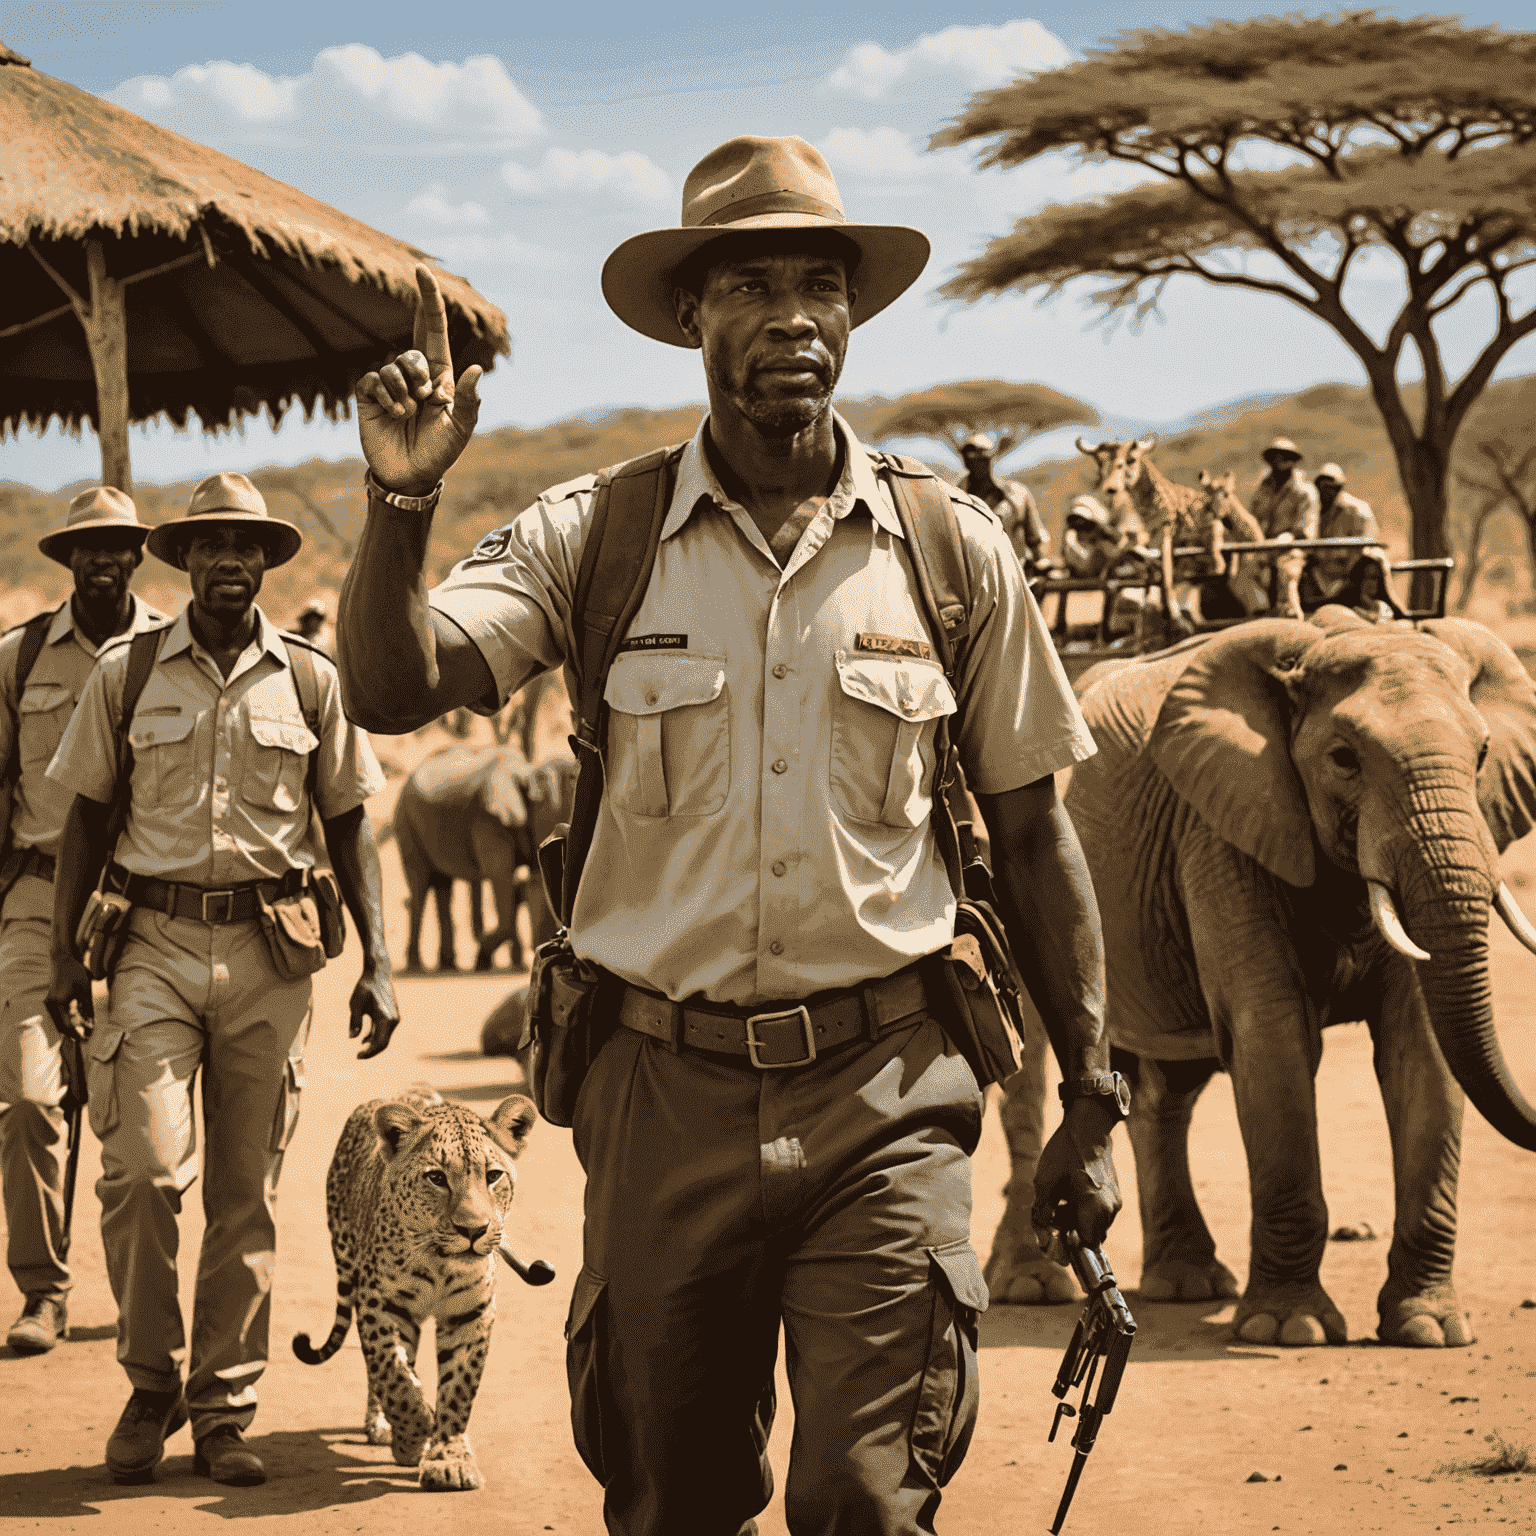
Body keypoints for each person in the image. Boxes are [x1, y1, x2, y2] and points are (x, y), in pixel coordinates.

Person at [337, 135, 1124, 1535]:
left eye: (818, 284)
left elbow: (1034, 835)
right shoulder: (599, 536)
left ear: (853, 314)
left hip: (891, 1087)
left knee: (866, 1498)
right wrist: (402, 500)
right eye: (750, 285)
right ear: (692, 315)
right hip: (660, 1091)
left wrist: (1094, 1101)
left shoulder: (951, 551)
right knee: (671, 1490)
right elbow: (395, 692)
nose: (792, 318)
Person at [44, 473, 398, 1488]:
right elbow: (81, 816)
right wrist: (66, 952)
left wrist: (379, 960)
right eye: (211, 546)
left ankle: (224, 1409)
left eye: (247, 547)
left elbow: (349, 823)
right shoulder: (126, 671)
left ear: (267, 564)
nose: (230, 562)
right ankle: (150, 1381)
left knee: (248, 1196)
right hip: (149, 944)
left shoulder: (313, 681)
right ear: (185, 561)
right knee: (144, 1174)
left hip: (271, 956)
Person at [0, 488, 166, 1356]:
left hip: (140, 906)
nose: (103, 560)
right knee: (29, 1098)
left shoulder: (170, 652)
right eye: (87, 548)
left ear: (139, 554)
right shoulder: (19, 658)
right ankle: (42, 1290)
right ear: (66, 559)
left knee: (133, 1118)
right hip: (33, 901)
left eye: (118, 546)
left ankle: (139, 1302)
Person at [959, 431, 1050, 575]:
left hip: (1015, 575)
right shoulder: (955, 497)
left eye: (982, 458)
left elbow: (1036, 538)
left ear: (990, 458)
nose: (977, 464)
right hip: (973, 578)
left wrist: (1041, 562)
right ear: (965, 461)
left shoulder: (1018, 495)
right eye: (971, 459)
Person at [1248, 436, 1320, 616]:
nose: (1279, 461)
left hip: (1295, 548)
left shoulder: (1305, 491)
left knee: (1287, 569)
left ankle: (1290, 613)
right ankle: (1258, 612)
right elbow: (1254, 519)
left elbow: (1306, 530)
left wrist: (1287, 538)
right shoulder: (1262, 490)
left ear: (1293, 461)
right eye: (1275, 457)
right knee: (1244, 569)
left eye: (1284, 457)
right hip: (1265, 547)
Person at [1300, 463, 1380, 610]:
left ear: (1339, 487)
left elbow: (1364, 550)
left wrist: (1348, 579)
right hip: (1322, 573)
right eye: (1322, 487)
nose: (1326, 492)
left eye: (1332, 487)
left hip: (1352, 572)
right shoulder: (1314, 511)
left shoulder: (1357, 510)